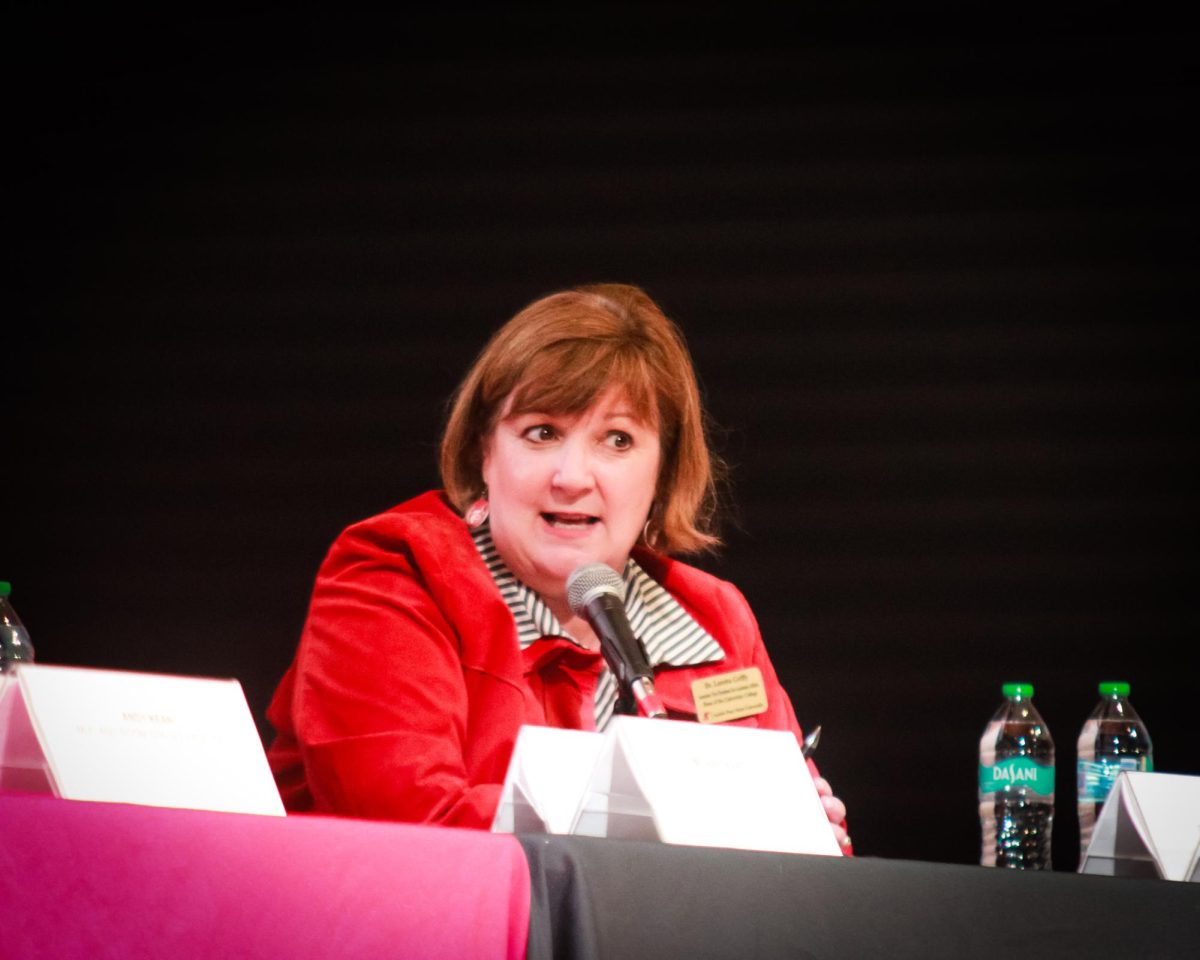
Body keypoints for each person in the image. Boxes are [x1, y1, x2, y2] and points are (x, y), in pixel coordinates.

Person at [266, 282, 851, 848]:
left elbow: (804, 862)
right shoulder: (400, 573)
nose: (572, 477)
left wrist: (810, 835)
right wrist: (671, 821)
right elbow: (410, 826)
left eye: (617, 440)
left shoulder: (715, 622)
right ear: (483, 454)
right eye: (542, 432)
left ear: (663, 472)